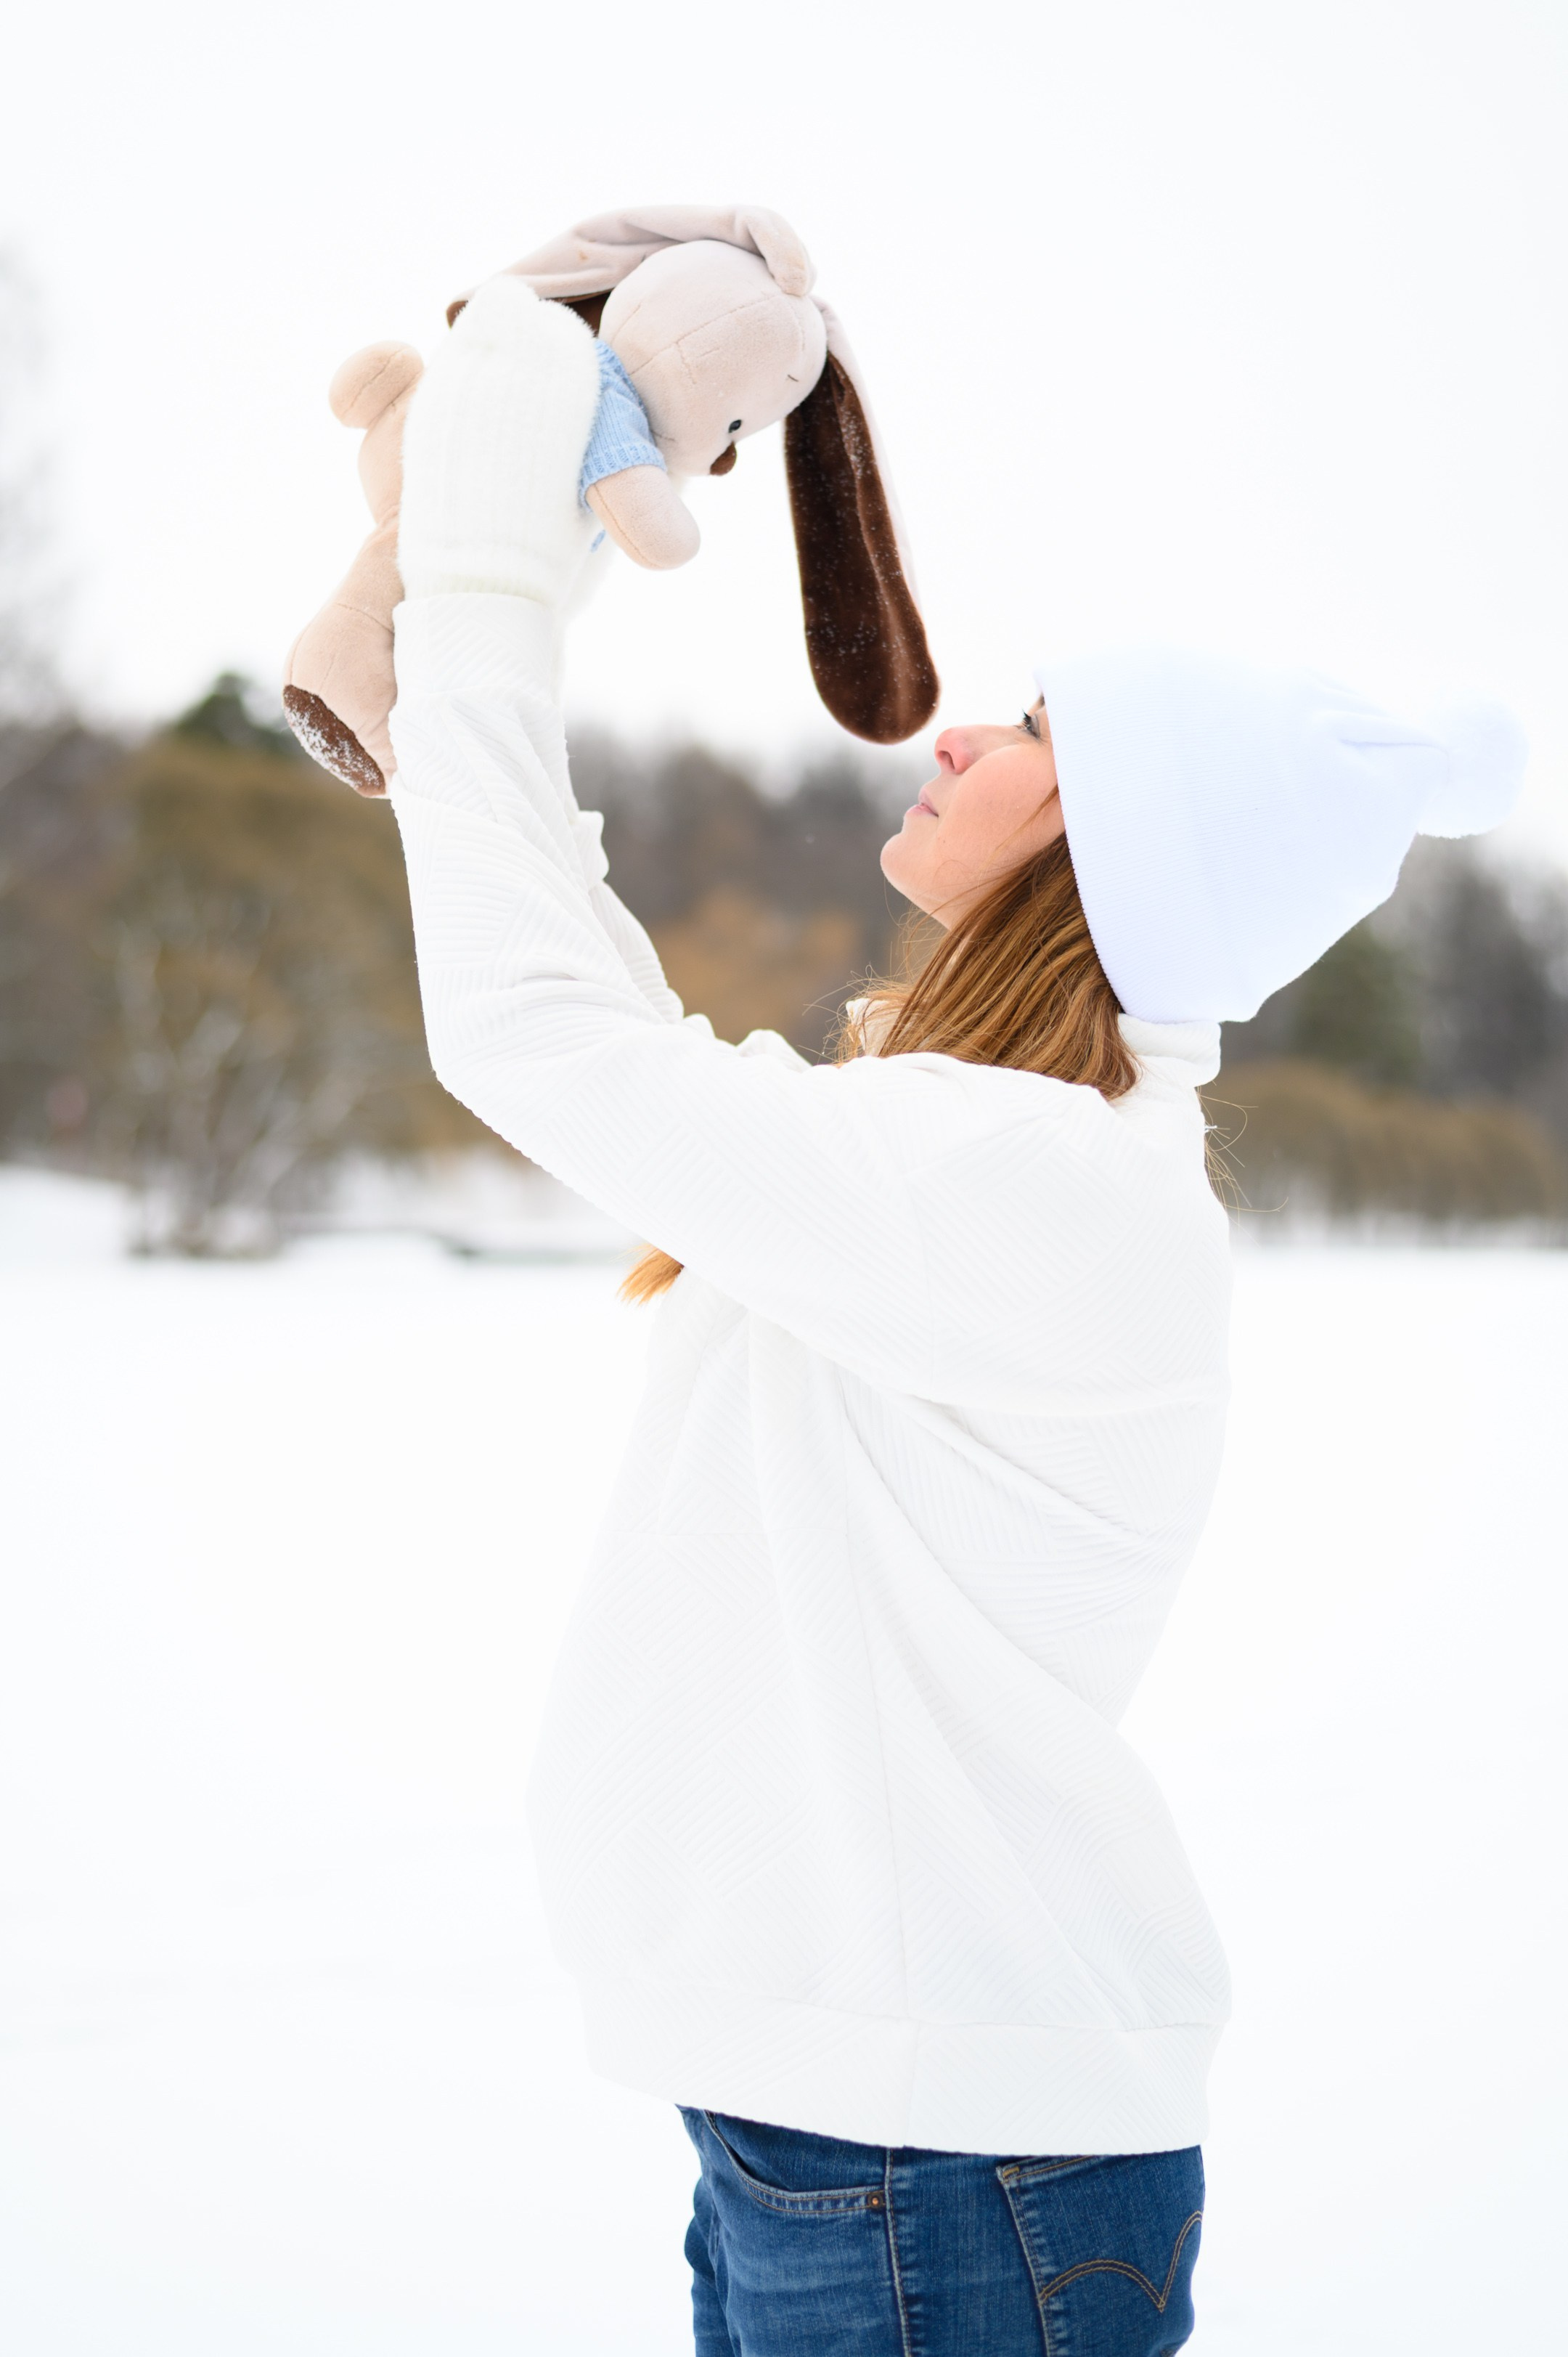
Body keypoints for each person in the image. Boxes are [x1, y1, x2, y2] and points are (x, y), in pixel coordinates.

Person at [383, 276, 1526, 2357]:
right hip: (875, 2137)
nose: (955, 731)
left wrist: (477, 582)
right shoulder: (1001, 1158)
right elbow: (601, 1027)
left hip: (939, 2165)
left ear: (1118, 847)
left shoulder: (1037, 1185)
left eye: (1035, 729)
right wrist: (475, 651)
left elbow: (553, 1049)